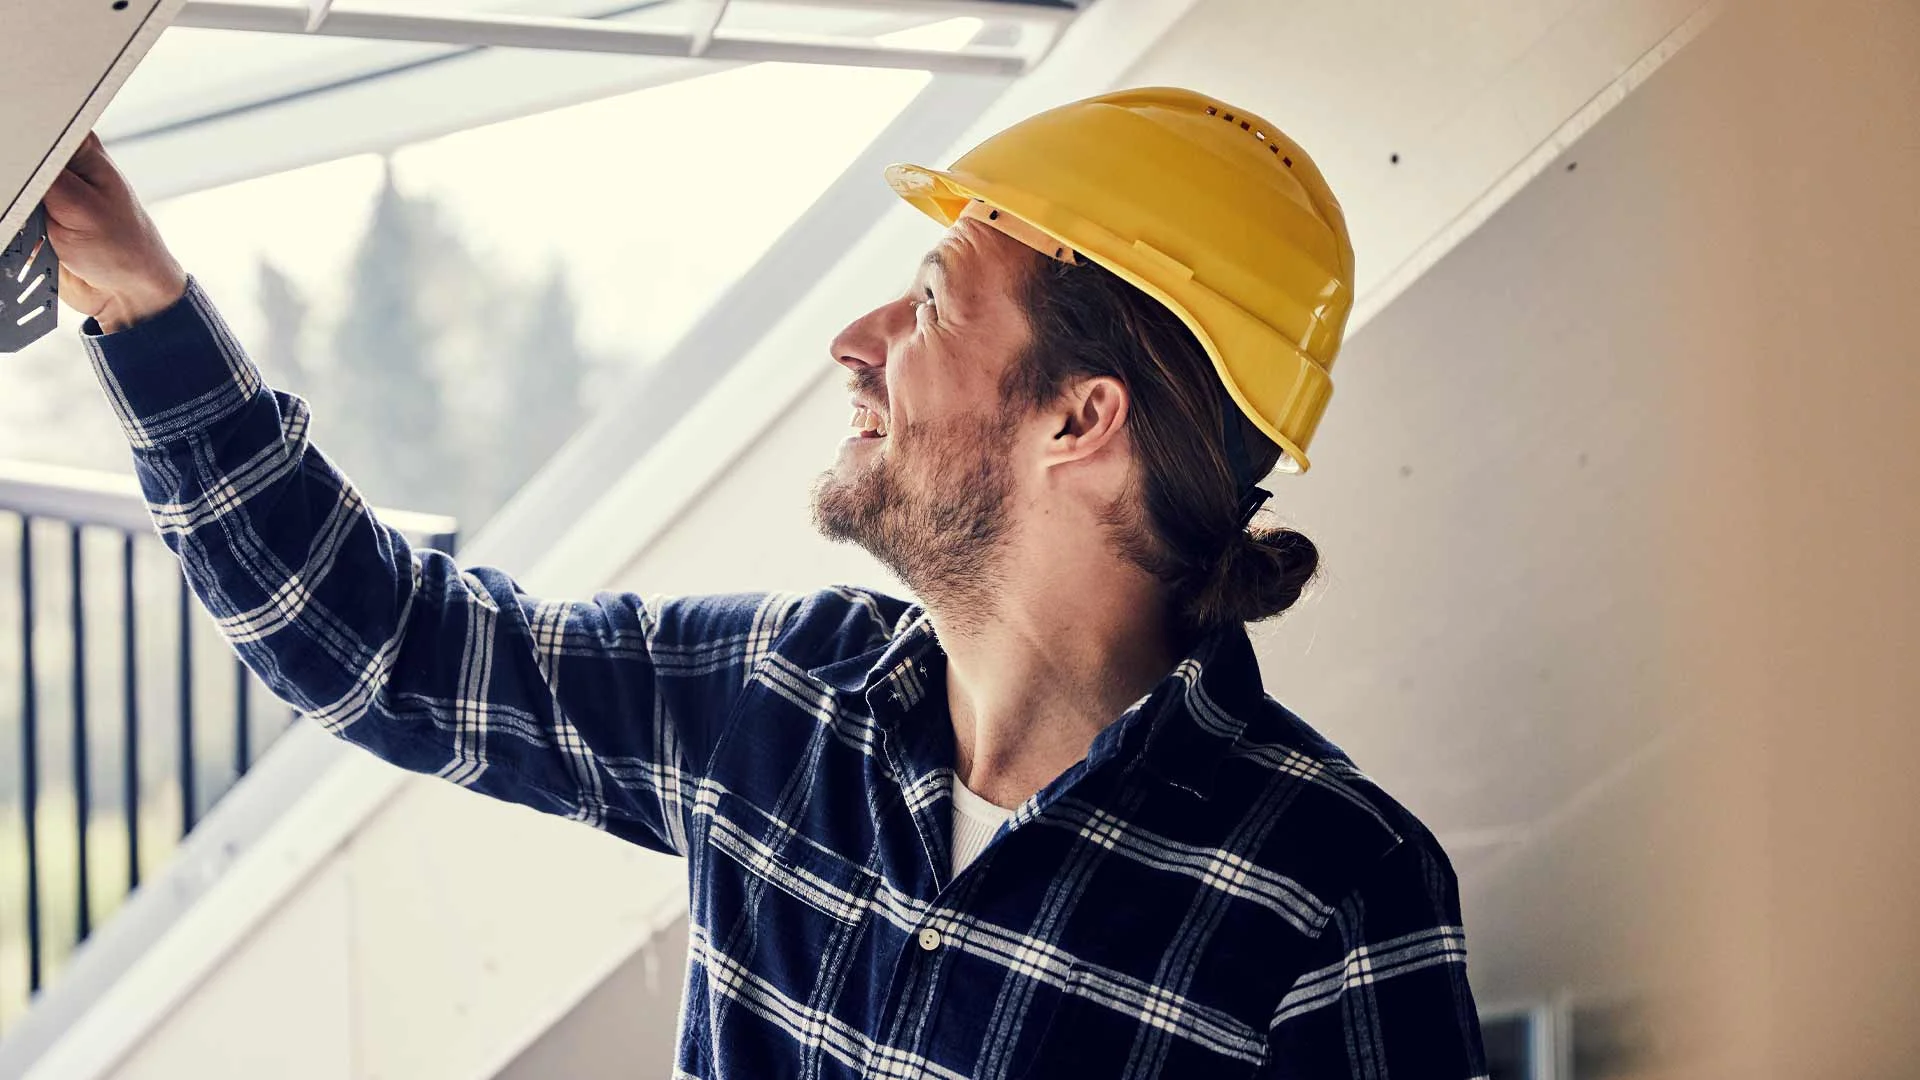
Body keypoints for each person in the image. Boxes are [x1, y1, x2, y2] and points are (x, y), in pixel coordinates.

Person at [44, 88, 1486, 1078]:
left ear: (1079, 418)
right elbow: (386, 649)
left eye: (932, 304)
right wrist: (142, 304)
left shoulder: (1334, 890)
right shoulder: (785, 699)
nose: (856, 340)